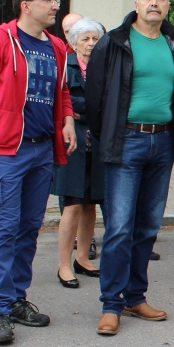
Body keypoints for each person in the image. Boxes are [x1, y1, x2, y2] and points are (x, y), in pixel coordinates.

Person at [0, 0, 76, 345]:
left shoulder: (57, 46)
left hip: (43, 149)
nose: (56, 5)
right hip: (7, 150)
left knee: (28, 229)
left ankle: (17, 299)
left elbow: (63, 91)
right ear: (26, 5)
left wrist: (68, 120)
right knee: (5, 230)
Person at [85, 0, 174, 337]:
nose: (154, 2)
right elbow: (94, 97)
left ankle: (135, 296)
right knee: (119, 228)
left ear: (167, 6)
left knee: (147, 227)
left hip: (160, 145)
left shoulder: (173, 43)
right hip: (126, 141)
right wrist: (109, 137)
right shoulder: (113, 42)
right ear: (136, 3)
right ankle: (110, 305)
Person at [52, 17, 106, 289]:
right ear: (73, 43)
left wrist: (85, 107)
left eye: (95, 38)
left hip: (96, 143)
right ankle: (64, 264)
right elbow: (64, 100)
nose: (90, 44)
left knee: (90, 205)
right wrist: (89, 107)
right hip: (73, 144)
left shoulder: (103, 68)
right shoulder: (65, 66)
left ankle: (83, 258)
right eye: (85, 38)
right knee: (72, 205)